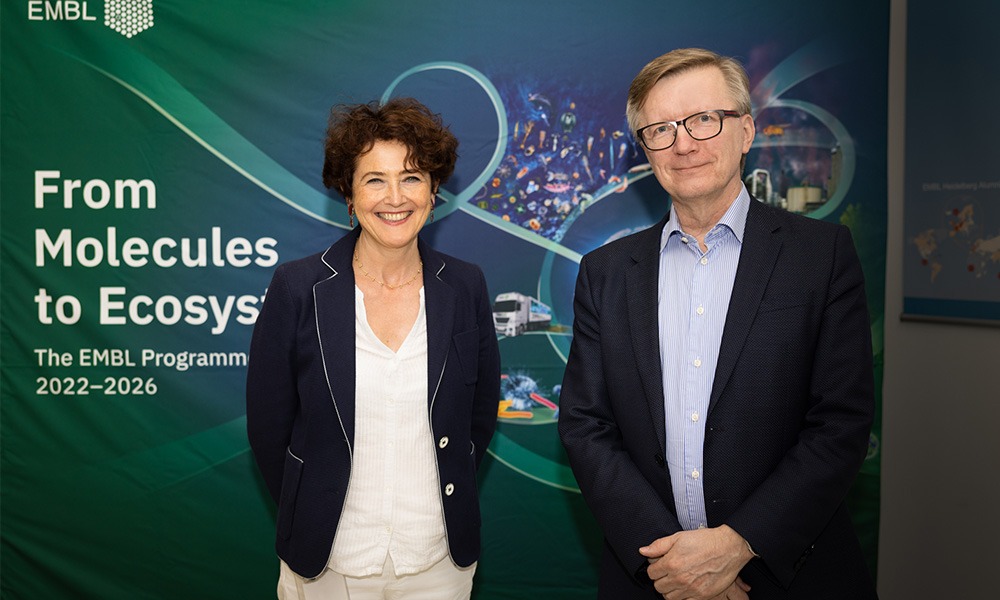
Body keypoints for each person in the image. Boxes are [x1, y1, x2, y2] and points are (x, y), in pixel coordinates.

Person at [557, 48, 877, 599]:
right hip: (654, 579)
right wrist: (678, 564)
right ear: (645, 150)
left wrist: (737, 547)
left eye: (704, 119)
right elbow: (586, 426)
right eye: (660, 129)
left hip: (789, 575)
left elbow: (840, 423)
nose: (683, 144)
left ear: (746, 131)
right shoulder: (605, 272)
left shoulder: (820, 256)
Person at [247, 97, 500, 600]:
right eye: (375, 179)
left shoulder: (465, 286)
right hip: (327, 563)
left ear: (433, 190)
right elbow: (269, 428)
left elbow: (476, 418)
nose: (395, 197)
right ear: (349, 192)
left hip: (436, 561)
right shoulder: (298, 287)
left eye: (411, 177)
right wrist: (310, 507)